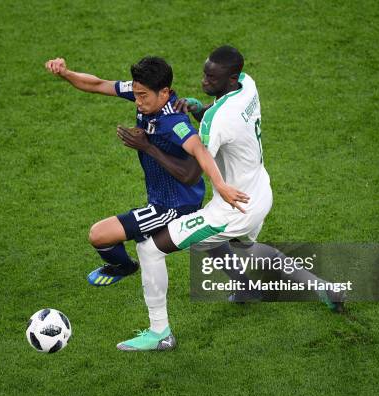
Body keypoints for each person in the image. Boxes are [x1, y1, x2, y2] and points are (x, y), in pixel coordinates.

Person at [115, 46, 345, 352]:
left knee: (150, 248)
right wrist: (199, 109)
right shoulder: (248, 85)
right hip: (259, 191)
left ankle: (161, 333)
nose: (204, 81)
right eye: (205, 73)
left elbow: (191, 174)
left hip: (233, 207)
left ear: (231, 76)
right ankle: (316, 287)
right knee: (236, 246)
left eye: (212, 77)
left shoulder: (216, 120)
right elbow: (225, 116)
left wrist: (147, 146)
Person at [44, 56, 248, 287]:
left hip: (172, 206)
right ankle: (247, 287)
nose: (138, 101)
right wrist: (66, 73)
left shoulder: (174, 122)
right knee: (208, 240)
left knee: (99, 235)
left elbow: (198, 154)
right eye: (136, 94)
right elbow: (99, 84)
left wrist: (147, 147)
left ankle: (124, 266)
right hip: (170, 198)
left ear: (164, 92)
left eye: (143, 96)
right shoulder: (145, 92)